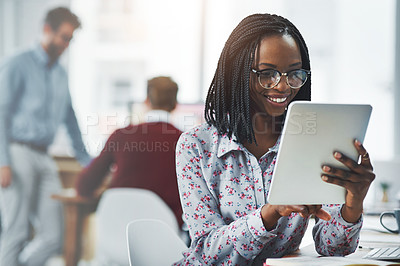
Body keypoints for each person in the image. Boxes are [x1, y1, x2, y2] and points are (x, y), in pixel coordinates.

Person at [175, 13, 375, 265]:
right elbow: (206, 253)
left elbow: (332, 248)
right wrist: (270, 213)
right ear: (236, 73)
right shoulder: (197, 146)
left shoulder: (311, 141)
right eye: (267, 73)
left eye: (294, 73)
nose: (283, 87)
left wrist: (353, 203)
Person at [0, 7, 91, 266]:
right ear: (47, 30)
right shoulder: (17, 64)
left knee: (55, 235)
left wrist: (89, 163)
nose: (66, 44)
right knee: (16, 231)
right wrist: (2, 161)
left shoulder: (61, 75)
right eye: (64, 37)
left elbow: (70, 122)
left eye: (71, 39)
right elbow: (1, 114)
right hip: (16, 154)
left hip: (44, 156)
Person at [76, 76, 184, 227]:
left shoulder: (121, 135)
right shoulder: (185, 142)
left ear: (146, 101)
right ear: (175, 105)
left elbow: (84, 186)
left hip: (115, 230)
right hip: (162, 235)